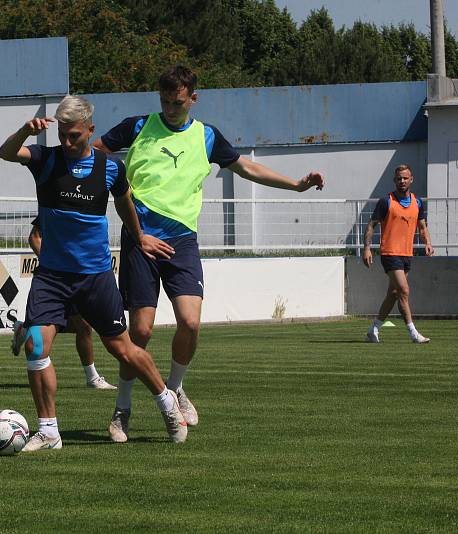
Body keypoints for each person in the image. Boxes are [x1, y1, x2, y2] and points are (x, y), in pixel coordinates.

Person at [92, 65, 324, 442]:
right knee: (141, 330)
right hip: (141, 239)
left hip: (182, 242)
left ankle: (177, 387)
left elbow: (247, 167)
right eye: (165, 102)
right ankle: (123, 408)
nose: (170, 109)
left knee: (191, 322)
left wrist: (296, 185)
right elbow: (93, 151)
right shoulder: (136, 127)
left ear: (193, 98)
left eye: (178, 103)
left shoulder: (207, 136)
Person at [0, 94, 187, 451]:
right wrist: (25, 130)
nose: (67, 143)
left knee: (123, 349)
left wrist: (140, 236)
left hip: (95, 276)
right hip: (53, 275)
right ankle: (49, 432)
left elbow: (123, 201)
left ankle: (167, 403)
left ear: (90, 130)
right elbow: (6, 153)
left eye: (75, 136)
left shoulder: (110, 167)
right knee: (36, 344)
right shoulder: (45, 159)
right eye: (63, 136)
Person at [11, 216, 117, 390]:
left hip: (77, 278)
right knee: (82, 326)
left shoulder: (85, 213)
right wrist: (52, 265)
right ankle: (92, 378)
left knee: (81, 327)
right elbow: (34, 237)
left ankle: (25, 329)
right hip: (56, 280)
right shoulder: (56, 207)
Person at [362, 164, 433, 344]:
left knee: (393, 294)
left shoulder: (417, 202)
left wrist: (427, 243)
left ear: (411, 179)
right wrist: (367, 248)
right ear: (394, 180)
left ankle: (374, 329)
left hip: (406, 254)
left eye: (405, 178)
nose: (402, 181)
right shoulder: (386, 201)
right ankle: (413, 333)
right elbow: (371, 225)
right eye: (399, 178)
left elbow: (422, 226)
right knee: (404, 290)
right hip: (389, 253)